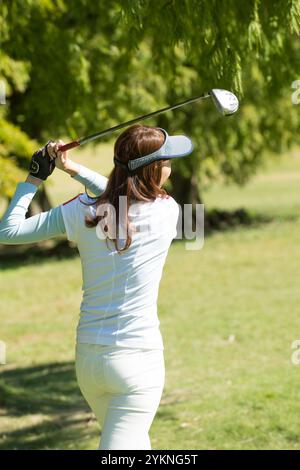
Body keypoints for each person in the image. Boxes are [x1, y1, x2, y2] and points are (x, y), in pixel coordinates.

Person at [0, 124, 194, 450]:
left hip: (89, 362)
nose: (171, 167)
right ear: (152, 170)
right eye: (167, 161)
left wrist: (36, 177)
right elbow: (120, 196)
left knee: (134, 445)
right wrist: (74, 170)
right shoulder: (167, 211)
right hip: (137, 362)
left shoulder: (81, 213)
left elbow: (8, 231)